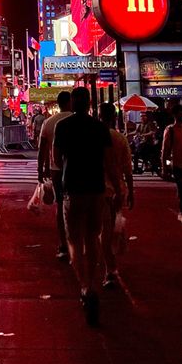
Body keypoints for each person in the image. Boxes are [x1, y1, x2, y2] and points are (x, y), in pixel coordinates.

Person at [54, 87, 121, 327]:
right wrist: (119, 189)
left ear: (72, 103)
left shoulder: (63, 127)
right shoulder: (100, 128)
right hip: (96, 189)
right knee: (92, 238)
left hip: (72, 188)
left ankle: (83, 287)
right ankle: (91, 283)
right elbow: (110, 163)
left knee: (73, 240)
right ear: (90, 103)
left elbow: (56, 160)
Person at [98, 101, 134, 288]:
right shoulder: (120, 138)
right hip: (117, 188)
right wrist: (130, 190)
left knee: (104, 229)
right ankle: (111, 266)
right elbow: (128, 169)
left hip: (100, 189)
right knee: (112, 227)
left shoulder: (95, 137)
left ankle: (110, 268)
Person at [37, 92, 73, 260]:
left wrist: (40, 171)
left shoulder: (49, 122)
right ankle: (77, 240)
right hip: (77, 168)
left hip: (56, 169)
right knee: (78, 202)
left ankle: (63, 244)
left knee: (60, 205)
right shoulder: (78, 120)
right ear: (70, 102)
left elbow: (42, 149)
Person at [161, 107, 182, 226]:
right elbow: (165, 150)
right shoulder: (170, 130)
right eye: (180, 114)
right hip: (177, 165)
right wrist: (164, 167)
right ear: (175, 116)